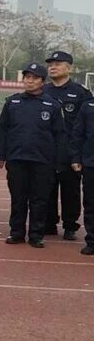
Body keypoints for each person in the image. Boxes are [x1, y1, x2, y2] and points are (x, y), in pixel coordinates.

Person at [0, 62, 66, 248]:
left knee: (39, 200)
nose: (30, 81)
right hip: (17, 159)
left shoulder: (52, 105)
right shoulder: (13, 102)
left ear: (42, 81)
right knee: (18, 198)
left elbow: (60, 135)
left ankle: (36, 235)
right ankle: (16, 232)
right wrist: (0, 154)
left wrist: (59, 161)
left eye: (34, 78)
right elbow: (3, 130)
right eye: (27, 77)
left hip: (43, 160)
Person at [43, 50, 93, 240]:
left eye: (57, 64)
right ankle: (48, 223)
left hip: (70, 149)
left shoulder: (81, 92)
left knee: (70, 189)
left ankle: (70, 225)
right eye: (50, 64)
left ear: (69, 68)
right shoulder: (43, 90)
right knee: (46, 187)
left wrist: (79, 152)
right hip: (47, 148)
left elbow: (87, 123)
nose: (53, 67)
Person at [69, 92, 94, 255]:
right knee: (91, 204)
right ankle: (92, 241)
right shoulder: (88, 106)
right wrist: (75, 158)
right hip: (91, 163)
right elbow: (78, 133)